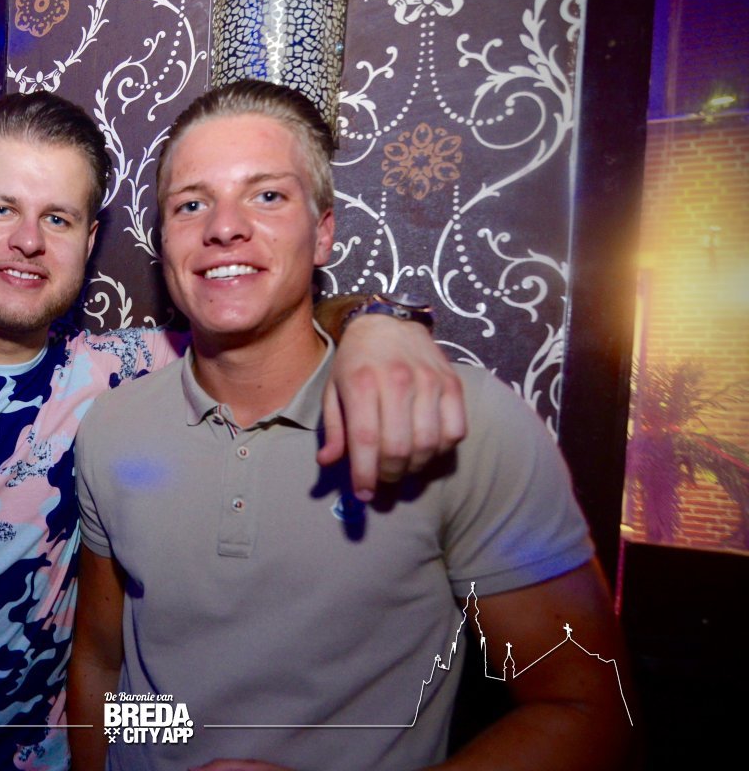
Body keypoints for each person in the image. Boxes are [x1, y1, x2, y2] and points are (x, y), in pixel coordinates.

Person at [0, 91, 467, 771]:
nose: (28, 240)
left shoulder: (121, 372)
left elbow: (270, 320)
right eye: (2, 208)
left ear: (88, 242)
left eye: (57, 218)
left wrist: (380, 324)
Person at [68, 80, 633, 771]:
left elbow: (585, 712)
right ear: (164, 241)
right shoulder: (114, 428)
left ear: (324, 232)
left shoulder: (459, 423)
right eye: (191, 203)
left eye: (267, 195)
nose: (224, 226)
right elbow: (105, 665)